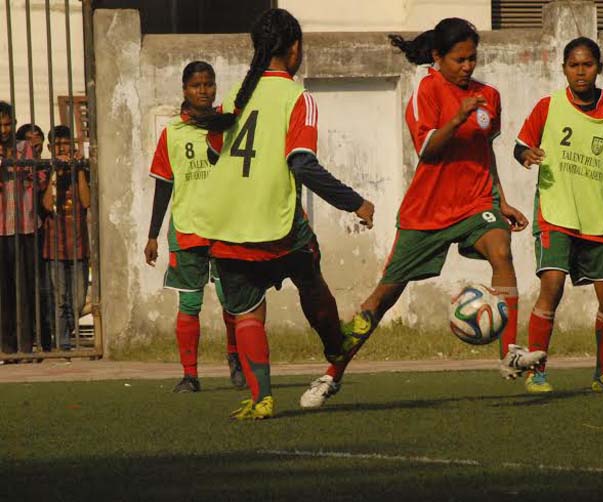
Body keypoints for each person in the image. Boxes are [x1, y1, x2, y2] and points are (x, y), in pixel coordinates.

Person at [299, 18, 545, 409]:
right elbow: (428, 150)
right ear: (437, 57)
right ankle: (331, 376)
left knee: (502, 251)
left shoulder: (489, 96)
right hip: (426, 213)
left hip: (475, 203)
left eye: (473, 58)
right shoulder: (425, 89)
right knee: (381, 301)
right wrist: (458, 117)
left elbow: (486, 153)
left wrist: (501, 200)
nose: (468, 67)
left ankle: (510, 351)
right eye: (460, 59)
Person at [187, 8, 375, 420]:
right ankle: (335, 343)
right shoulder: (297, 98)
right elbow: (303, 164)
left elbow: (216, 151)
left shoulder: (237, 94)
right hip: (276, 220)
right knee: (309, 273)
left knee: (246, 312)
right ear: (294, 49)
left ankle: (262, 399)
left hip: (227, 223)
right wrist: (354, 201)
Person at [514, 37, 603, 393]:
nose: (580, 71)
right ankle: (536, 371)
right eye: (573, 65)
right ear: (563, 69)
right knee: (553, 287)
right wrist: (526, 155)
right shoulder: (548, 106)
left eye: (587, 64)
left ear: (598, 68)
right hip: (555, 213)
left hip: (599, 220)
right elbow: (520, 145)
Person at [144, 61, 246, 393]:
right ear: (185, 90)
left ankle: (237, 362)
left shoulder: (229, 125)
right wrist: (152, 235)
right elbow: (163, 185)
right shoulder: (172, 133)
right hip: (187, 230)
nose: (204, 90)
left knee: (232, 301)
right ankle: (190, 374)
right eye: (196, 85)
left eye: (209, 84)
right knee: (189, 304)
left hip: (226, 227)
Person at [0, 101, 46, 355]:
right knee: (3, 290)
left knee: (25, 288)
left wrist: (18, 166)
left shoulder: (23, 148)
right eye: (1, 125)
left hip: (24, 225)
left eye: (8, 124)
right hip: (0, 228)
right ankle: (6, 346)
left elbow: (38, 179)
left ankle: (26, 345)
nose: (4, 130)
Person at [42, 125, 89, 351]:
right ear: (50, 148)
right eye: (58, 145)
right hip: (55, 246)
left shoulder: (82, 170)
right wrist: (54, 172)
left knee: (79, 298)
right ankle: (62, 340)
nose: (63, 148)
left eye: (66, 144)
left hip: (79, 245)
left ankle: (68, 331)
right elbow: (47, 205)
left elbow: (87, 202)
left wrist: (78, 169)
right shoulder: (46, 172)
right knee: (60, 296)